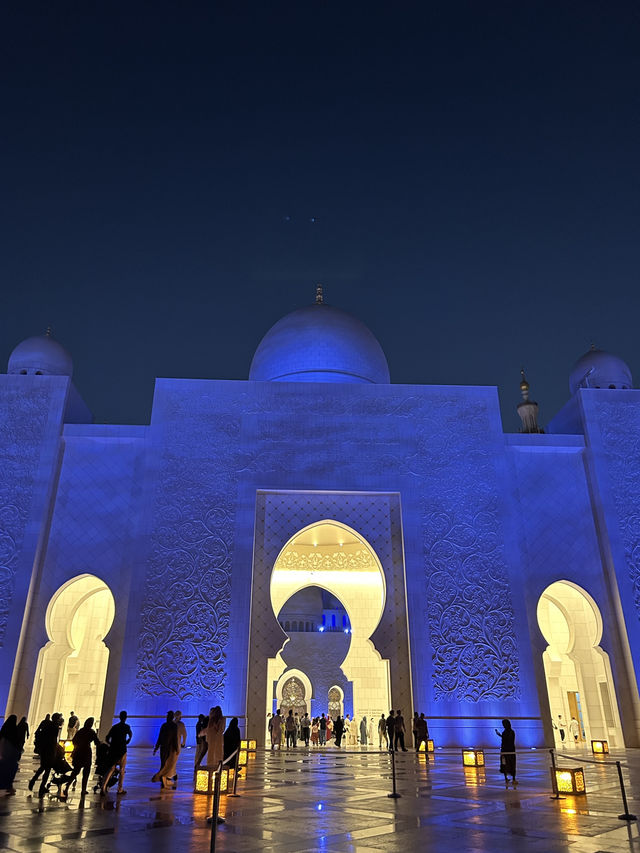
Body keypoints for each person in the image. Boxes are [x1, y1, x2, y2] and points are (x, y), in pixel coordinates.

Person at [64, 718, 99, 797]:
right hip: (86, 753)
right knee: (86, 772)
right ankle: (83, 790)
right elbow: (97, 742)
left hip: (79, 752)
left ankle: (67, 786)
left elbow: (74, 741)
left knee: (75, 771)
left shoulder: (80, 731)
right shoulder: (91, 732)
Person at [29, 712, 62, 796]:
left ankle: (34, 780)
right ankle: (41, 787)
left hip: (44, 750)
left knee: (43, 767)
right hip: (50, 750)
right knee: (47, 769)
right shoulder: (55, 727)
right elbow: (53, 740)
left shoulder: (47, 725)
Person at [101, 710, 132, 796]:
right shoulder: (126, 727)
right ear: (125, 718)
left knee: (111, 769)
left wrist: (111, 744)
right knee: (122, 770)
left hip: (113, 750)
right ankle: (120, 789)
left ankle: (103, 786)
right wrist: (127, 741)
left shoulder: (115, 727)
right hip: (122, 750)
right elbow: (130, 735)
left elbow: (107, 738)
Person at [152, 711, 179, 789]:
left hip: (164, 747)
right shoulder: (173, 726)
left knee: (164, 763)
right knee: (167, 764)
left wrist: (156, 747)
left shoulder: (164, 725)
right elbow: (175, 738)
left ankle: (162, 778)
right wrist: (176, 748)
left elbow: (160, 737)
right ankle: (163, 778)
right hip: (169, 748)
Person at [0, 715, 21, 793]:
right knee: (10, 771)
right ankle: (8, 786)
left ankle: (7, 786)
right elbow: (17, 742)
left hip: (4, 753)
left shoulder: (4, 729)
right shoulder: (14, 730)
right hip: (11, 754)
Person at [495, 719, 517, 787]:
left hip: (506, 751)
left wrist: (500, 736)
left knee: (507, 764)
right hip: (509, 751)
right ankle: (511, 778)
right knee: (508, 764)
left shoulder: (507, 732)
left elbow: (506, 740)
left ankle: (508, 778)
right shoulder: (510, 732)